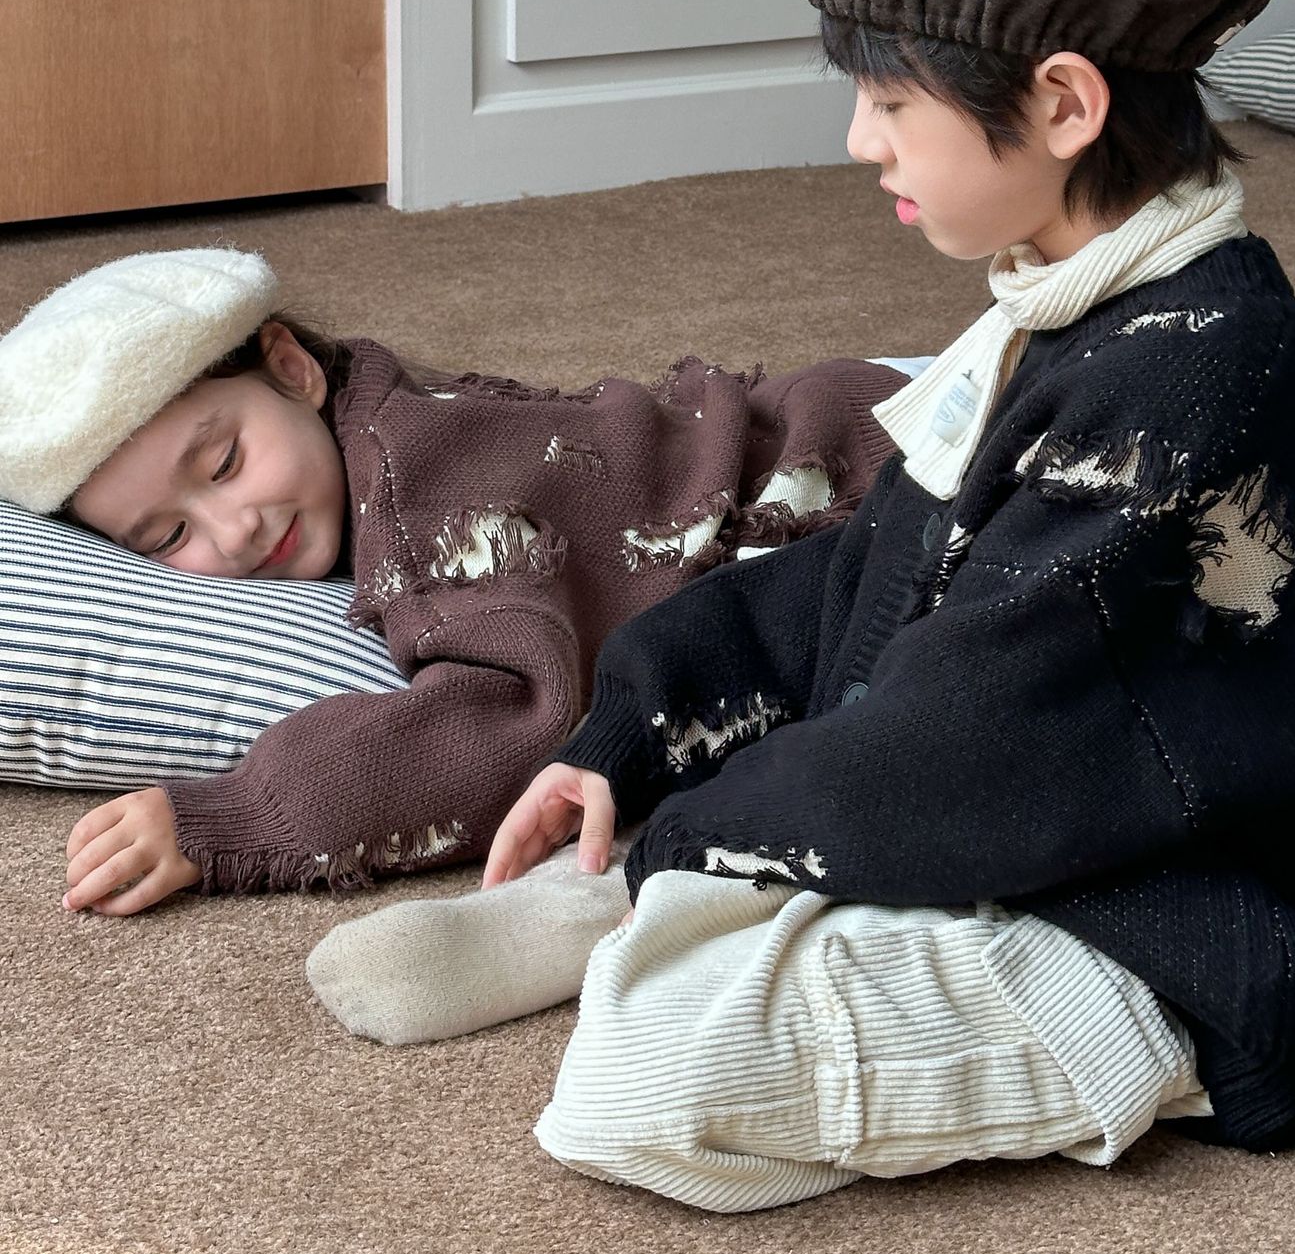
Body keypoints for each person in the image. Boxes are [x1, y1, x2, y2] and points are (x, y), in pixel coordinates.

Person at [469, 0, 1295, 1212]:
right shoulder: (1063, 307)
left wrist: (676, 845)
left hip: (1229, 925)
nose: (861, 140)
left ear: (1063, 103)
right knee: (741, 876)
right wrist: (634, 730)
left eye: (888, 99)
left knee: (648, 1076)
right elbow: (871, 573)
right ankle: (680, 910)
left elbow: (956, 736)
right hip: (1053, 799)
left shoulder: (1194, 372)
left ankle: (653, 918)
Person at [0, 252, 904, 915]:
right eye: (168, 535)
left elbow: (504, 719)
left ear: (291, 368)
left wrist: (232, 816)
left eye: (226, 462)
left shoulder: (413, 492)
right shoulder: (377, 406)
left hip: (840, 495)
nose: (233, 529)